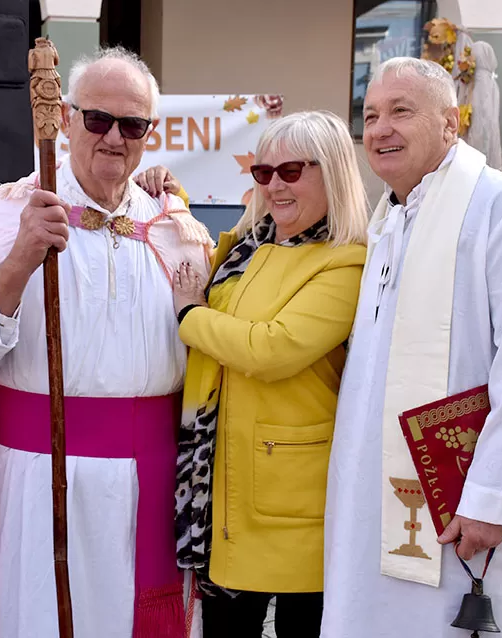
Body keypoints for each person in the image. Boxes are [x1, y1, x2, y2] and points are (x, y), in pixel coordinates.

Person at [0, 46, 212, 638]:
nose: (113, 138)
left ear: (150, 133)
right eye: (97, 119)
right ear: (66, 117)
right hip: (36, 483)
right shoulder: (12, 213)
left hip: (150, 485)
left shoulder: (174, 228)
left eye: (132, 125)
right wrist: (21, 259)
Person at [321, 57, 502, 637]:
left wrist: (492, 497)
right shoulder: (388, 221)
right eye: (371, 114)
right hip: (379, 493)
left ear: (450, 124)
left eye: (401, 111)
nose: (380, 128)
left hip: (467, 508)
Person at [171, 111, 367, 638]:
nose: (275, 184)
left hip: (291, 497)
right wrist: (166, 195)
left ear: (332, 172)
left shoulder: (346, 261)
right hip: (222, 486)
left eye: (291, 171)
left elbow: (272, 349)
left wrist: (191, 316)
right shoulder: (250, 241)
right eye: (262, 173)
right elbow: (204, 270)